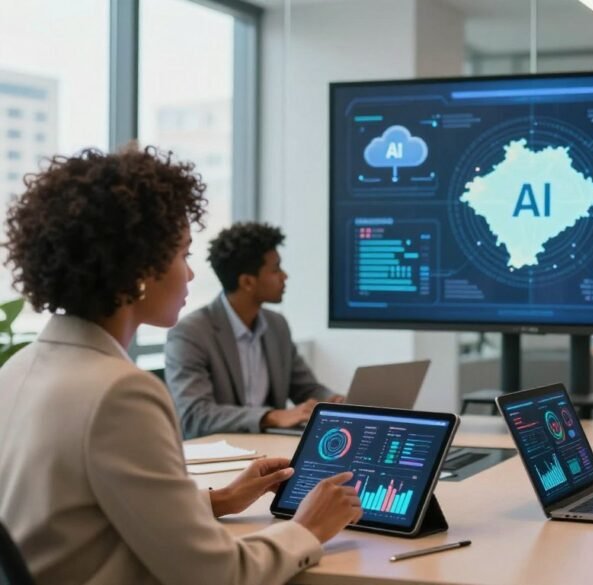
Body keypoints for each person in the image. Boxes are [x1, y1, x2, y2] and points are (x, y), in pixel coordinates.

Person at [0, 146, 362, 584]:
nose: (190, 275)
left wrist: (222, 499)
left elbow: (83, 513)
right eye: (183, 254)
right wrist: (307, 529)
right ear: (140, 267)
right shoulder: (119, 393)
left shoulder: (17, 370)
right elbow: (217, 575)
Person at [165, 222, 344, 439]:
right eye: (276, 269)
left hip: (270, 448)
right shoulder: (191, 333)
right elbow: (196, 415)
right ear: (248, 282)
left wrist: (334, 402)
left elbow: (305, 389)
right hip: (218, 455)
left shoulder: (277, 325)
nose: (284, 276)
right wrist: (270, 416)